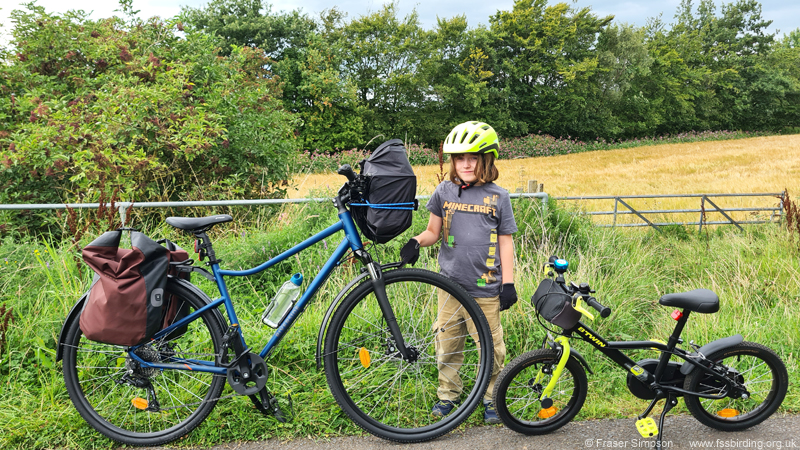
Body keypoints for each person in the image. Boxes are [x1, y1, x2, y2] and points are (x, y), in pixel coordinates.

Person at [399, 121, 518, 424]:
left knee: (491, 350)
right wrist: (415, 242)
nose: (466, 164)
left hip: (486, 289)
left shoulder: (498, 197)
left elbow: (506, 243)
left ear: (486, 159)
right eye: (459, 158)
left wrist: (508, 283)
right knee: (447, 345)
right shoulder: (444, 192)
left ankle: (492, 398)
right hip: (449, 287)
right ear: (452, 161)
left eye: (473, 157)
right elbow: (432, 232)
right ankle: (448, 396)